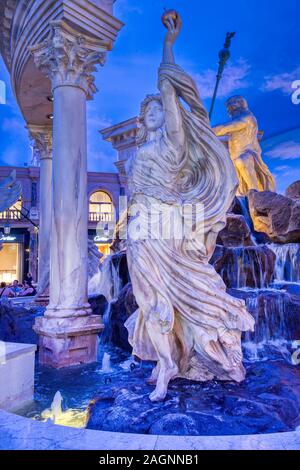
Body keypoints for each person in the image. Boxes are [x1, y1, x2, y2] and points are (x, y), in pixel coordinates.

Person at [124, 12, 254, 402]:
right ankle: (167, 362)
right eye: (150, 112)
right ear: (143, 121)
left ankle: (186, 359)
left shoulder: (172, 145)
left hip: (168, 228)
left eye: (161, 111)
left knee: (181, 293)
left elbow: (168, 93)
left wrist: (168, 46)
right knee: (150, 301)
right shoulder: (137, 154)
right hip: (141, 230)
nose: (158, 115)